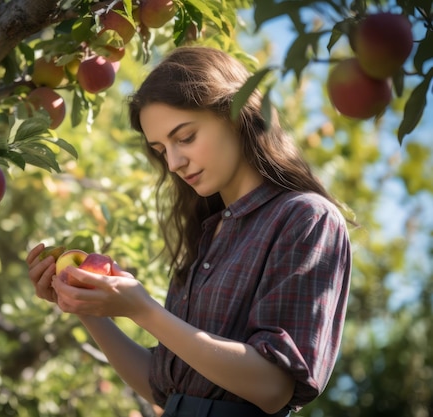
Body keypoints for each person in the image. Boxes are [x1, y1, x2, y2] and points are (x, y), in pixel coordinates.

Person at [26, 46, 352, 417]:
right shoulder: (208, 234)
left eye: (185, 137)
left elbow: (273, 386)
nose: (174, 162)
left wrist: (143, 309)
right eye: (161, 149)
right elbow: (166, 388)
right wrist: (87, 307)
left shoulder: (306, 219)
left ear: (235, 114)